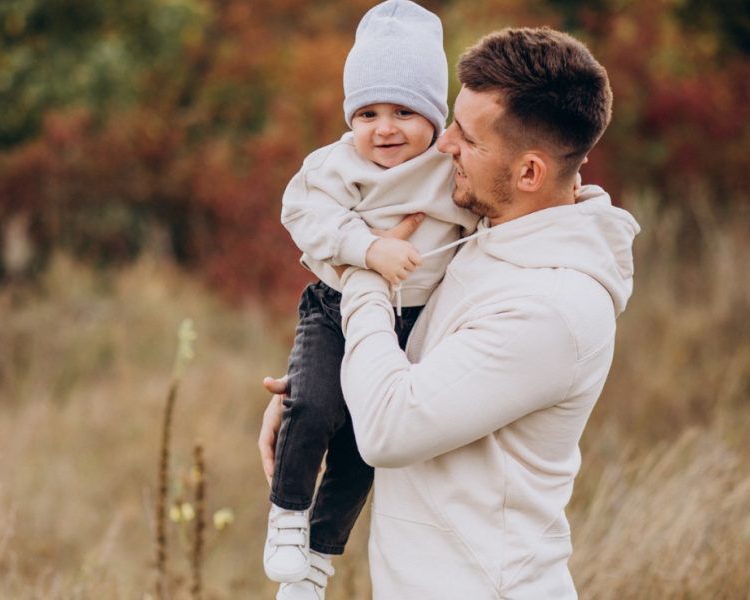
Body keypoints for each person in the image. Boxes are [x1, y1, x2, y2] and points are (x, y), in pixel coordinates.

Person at [259, 27, 640, 599]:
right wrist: (318, 392)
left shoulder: (553, 308)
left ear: (530, 173)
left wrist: (365, 263)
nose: (443, 145)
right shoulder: (489, 232)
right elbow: (413, 354)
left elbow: (389, 427)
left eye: (466, 136)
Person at [265, 2, 477, 598]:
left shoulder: (448, 169)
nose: (385, 128)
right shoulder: (335, 165)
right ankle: (286, 513)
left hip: (415, 323)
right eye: (368, 112)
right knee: (310, 409)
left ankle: (317, 560)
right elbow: (300, 213)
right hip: (335, 309)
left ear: (436, 118)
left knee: (365, 447)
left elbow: (485, 224)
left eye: (405, 112)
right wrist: (366, 248)